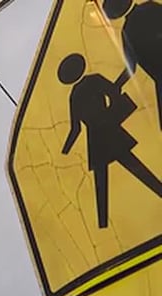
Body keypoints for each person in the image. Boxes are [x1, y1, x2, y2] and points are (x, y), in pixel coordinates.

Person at [59, 53, 162, 228]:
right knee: (129, 165)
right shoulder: (93, 81)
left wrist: (65, 150)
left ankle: (102, 225)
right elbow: (114, 93)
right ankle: (103, 226)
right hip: (107, 129)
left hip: (96, 137)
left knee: (108, 176)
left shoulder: (74, 94)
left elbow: (75, 129)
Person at [103, 0, 162, 129]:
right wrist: (116, 86)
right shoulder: (149, 8)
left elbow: (131, 66)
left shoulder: (128, 29)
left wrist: (116, 86)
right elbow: (131, 65)